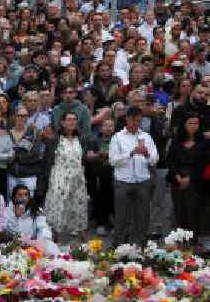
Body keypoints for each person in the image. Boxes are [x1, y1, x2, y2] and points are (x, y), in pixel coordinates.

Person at [109, 106, 158, 248]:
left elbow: (155, 159)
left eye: (139, 121)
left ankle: (141, 246)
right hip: (123, 181)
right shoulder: (117, 137)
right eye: (133, 120)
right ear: (127, 119)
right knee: (122, 216)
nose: (136, 123)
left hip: (143, 181)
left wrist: (147, 154)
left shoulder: (146, 137)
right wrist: (131, 153)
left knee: (142, 216)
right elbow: (112, 160)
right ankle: (119, 246)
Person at [42, 111, 88, 245]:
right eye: (69, 119)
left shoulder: (81, 139)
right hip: (60, 177)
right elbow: (48, 160)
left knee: (79, 207)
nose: (72, 122)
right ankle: (57, 240)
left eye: (74, 119)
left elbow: (83, 158)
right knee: (59, 207)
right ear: (62, 122)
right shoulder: (56, 139)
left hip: (78, 178)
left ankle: (83, 241)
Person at [165, 114, 206, 235]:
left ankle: (194, 238)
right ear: (184, 125)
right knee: (179, 210)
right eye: (190, 123)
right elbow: (171, 160)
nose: (193, 126)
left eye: (196, 123)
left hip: (196, 180)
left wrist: (189, 178)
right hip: (177, 179)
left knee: (194, 210)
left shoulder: (204, 143)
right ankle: (180, 238)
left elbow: (203, 164)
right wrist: (178, 176)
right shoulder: (176, 141)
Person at [85, 118, 116, 236]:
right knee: (99, 199)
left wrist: (108, 155)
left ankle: (113, 223)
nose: (108, 128)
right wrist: (99, 155)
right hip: (98, 175)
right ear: (100, 128)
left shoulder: (118, 140)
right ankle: (100, 223)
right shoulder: (94, 140)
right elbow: (89, 156)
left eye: (111, 126)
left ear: (114, 128)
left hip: (114, 175)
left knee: (113, 199)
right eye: (105, 126)